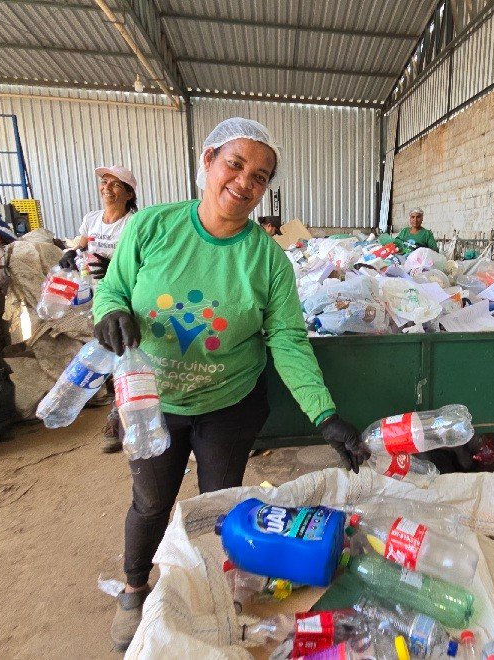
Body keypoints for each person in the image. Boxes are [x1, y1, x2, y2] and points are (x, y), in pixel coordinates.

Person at [91, 118, 371, 650]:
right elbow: (115, 288)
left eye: (261, 176)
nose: (245, 182)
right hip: (155, 401)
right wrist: (108, 313)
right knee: (151, 502)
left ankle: (209, 592)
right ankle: (134, 589)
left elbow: (287, 340)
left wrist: (325, 416)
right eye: (236, 165)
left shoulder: (267, 260)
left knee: (219, 505)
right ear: (208, 161)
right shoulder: (153, 227)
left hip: (229, 403)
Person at [59, 166, 138, 453]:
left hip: (122, 301)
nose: (107, 188)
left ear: (129, 193)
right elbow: (80, 246)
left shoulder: (133, 224)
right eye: (104, 183)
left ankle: (120, 421)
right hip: (93, 299)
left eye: (116, 184)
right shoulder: (92, 220)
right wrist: (69, 255)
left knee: (123, 357)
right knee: (107, 355)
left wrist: (114, 269)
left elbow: (140, 263)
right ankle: (121, 417)